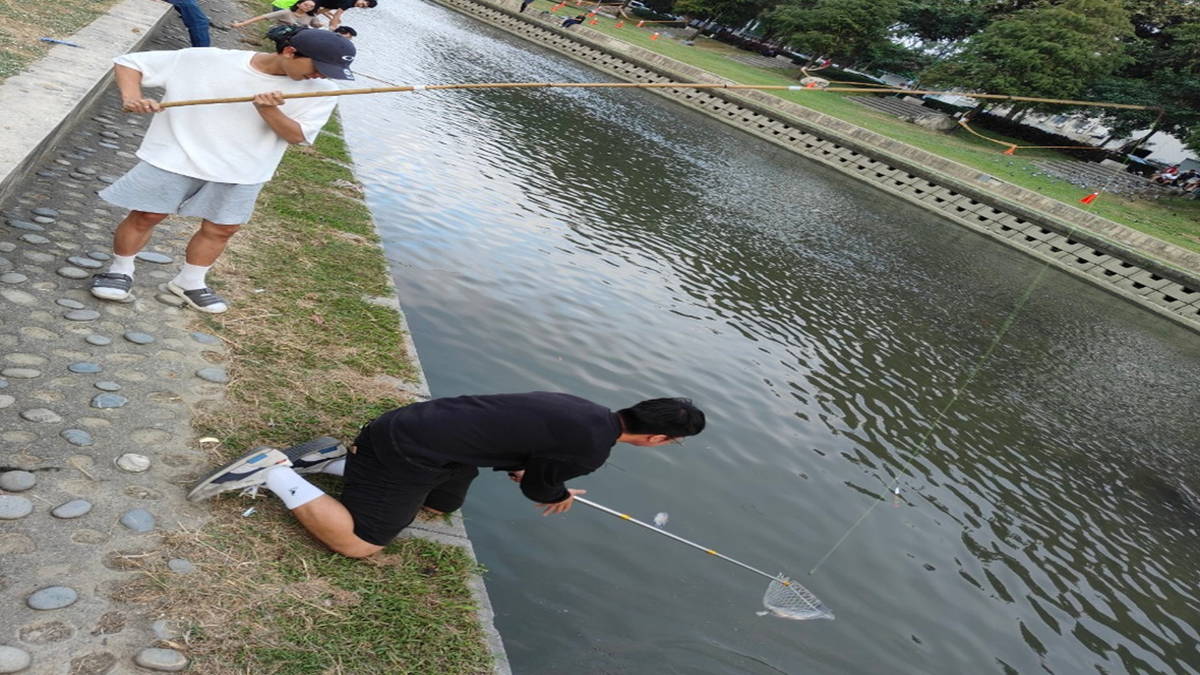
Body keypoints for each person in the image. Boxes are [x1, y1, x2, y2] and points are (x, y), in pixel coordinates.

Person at [188, 393, 706, 558]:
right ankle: (276, 473)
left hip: (413, 424)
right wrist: (558, 492)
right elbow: (535, 485)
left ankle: (328, 462)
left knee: (440, 507)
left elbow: (525, 447)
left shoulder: (585, 411)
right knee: (362, 543)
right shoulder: (593, 448)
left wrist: (543, 473)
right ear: (658, 438)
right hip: (409, 448)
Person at [88, 29, 355, 313]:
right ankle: (120, 270)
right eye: (318, 67)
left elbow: (297, 137)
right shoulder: (207, 59)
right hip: (176, 154)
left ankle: (190, 282)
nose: (321, 76)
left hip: (246, 167)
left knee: (222, 228)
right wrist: (132, 97)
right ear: (289, 52)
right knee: (146, 214)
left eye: (331, 72)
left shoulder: (323, 92)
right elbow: (130, 62)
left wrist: (268, 111)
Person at [231, 0, 322, 29]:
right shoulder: (286, 12)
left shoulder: (311, 17)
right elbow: (262, 17)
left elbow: (315, 26)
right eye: (305, 4)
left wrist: (319, 24)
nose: (307, 7)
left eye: (311, 7)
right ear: (298, 4)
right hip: (281, 32)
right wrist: (241, 24)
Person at [313, 0, 378, 29]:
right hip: (313, 2)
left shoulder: (353, 3)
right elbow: (337, 14)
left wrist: (331, 18)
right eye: (362, 4)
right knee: (316, 24)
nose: (360, 6)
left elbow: (330, 7)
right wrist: (333, 29)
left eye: (362, 7)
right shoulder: (349, 2)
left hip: (318, 5)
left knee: (316, 22)